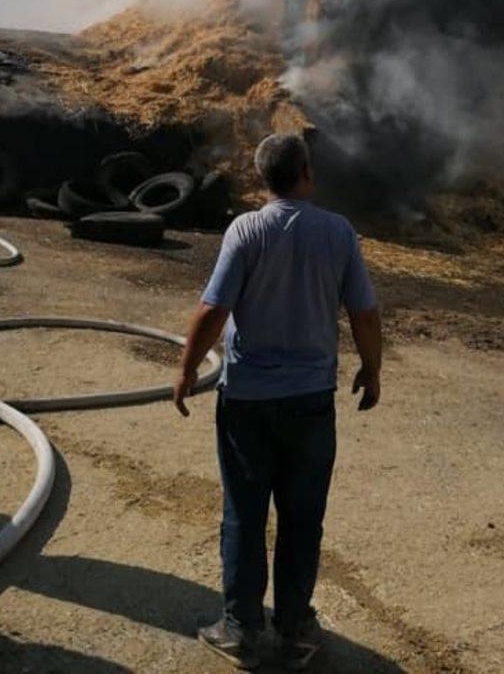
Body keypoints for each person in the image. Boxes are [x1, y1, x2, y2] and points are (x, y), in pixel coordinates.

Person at [173, 133, 382, 672]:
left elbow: (212, 308)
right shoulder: (338, 232)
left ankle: (240, 630)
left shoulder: (246, 229)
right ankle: (293, 633)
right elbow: (364, 313)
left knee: (243, 514)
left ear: (262, 178)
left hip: (247, 401)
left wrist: (186, 369)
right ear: (306, 173)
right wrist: (371, 370)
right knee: (302, 517)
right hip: (311, 402)